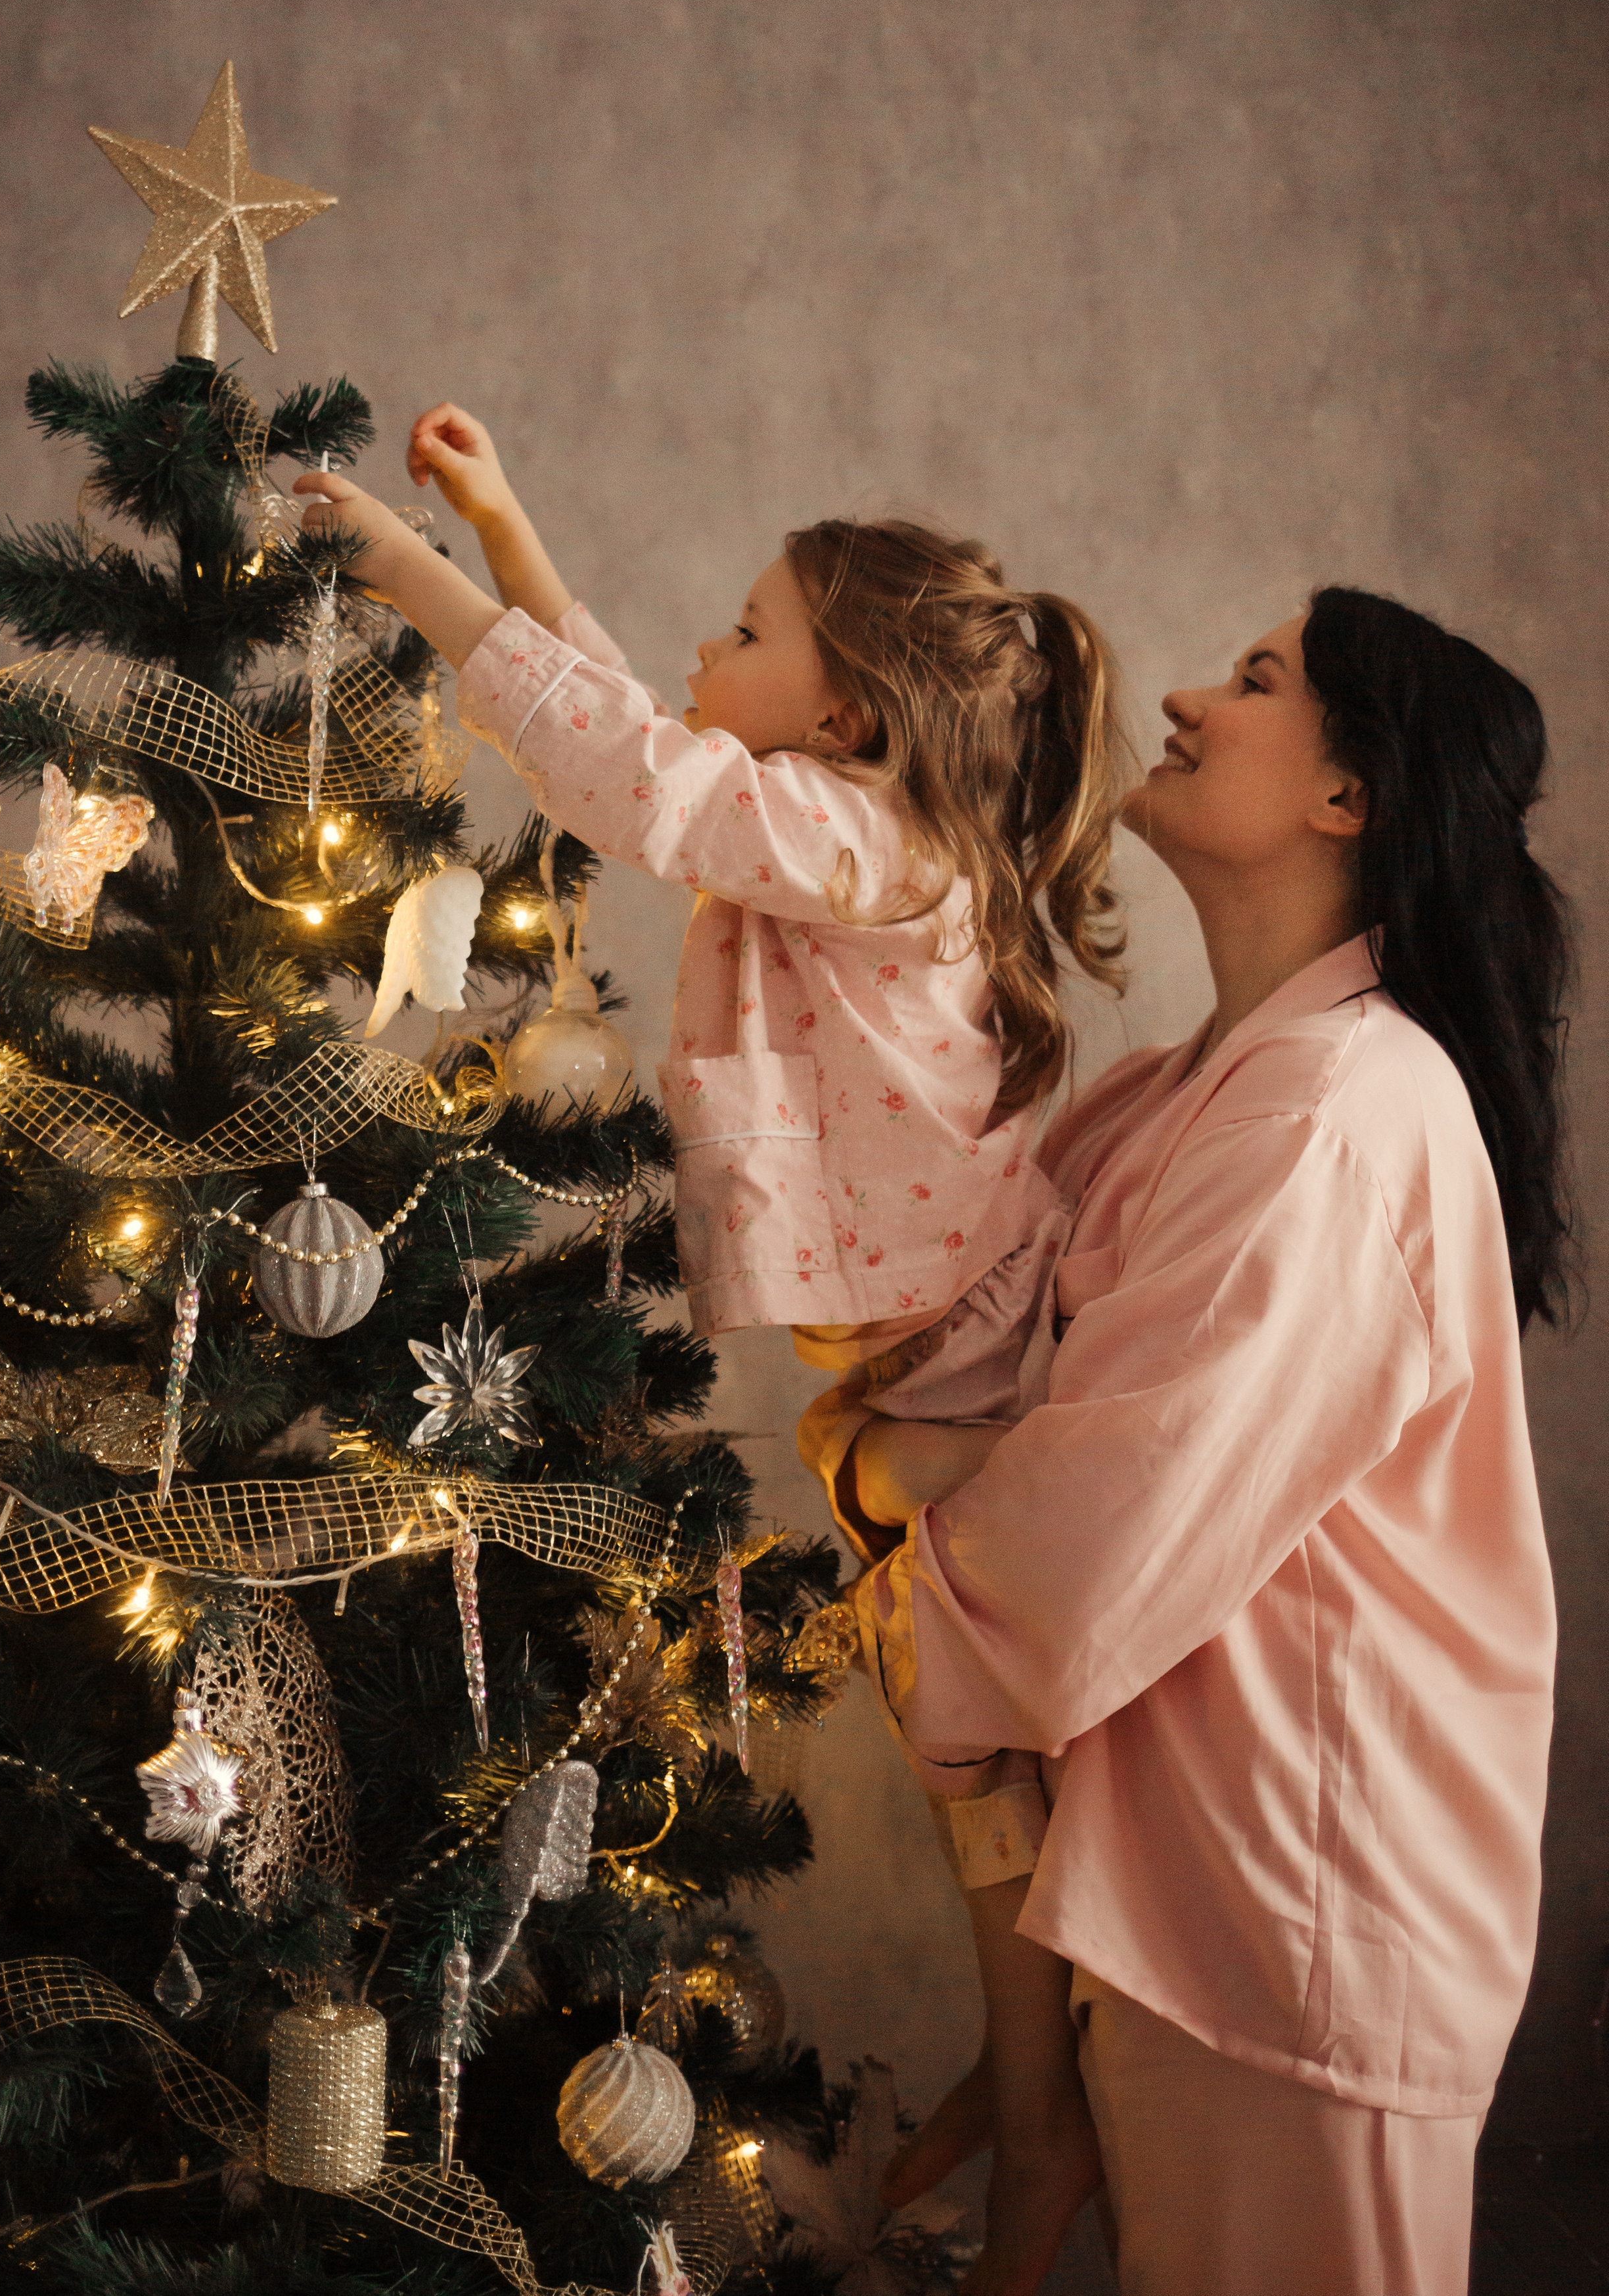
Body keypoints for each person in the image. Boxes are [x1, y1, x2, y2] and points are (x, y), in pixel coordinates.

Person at [292, 419, 1130, 2277]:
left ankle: (1050, 2099)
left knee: (974, 1732)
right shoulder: (834, 817)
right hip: (918, 1357)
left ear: (845, 719)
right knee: (961, 1740)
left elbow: (646, 785)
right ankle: (1037, 2076)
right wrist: (506, 529)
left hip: (967, 1351)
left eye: (746, 630)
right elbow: (635, 742)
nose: (703, 650)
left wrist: (422, 580)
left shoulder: (865, 837)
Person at [836, 589, 1569, 2296]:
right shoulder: (1175, 1097)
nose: (1177, 696)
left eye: (1252, 682)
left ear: (1349, 795)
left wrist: (878, 1504)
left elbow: (1090, 1534)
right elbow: (995, 1385)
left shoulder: (1335, 1114)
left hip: (1299, 1927)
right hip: (1186, 1906)